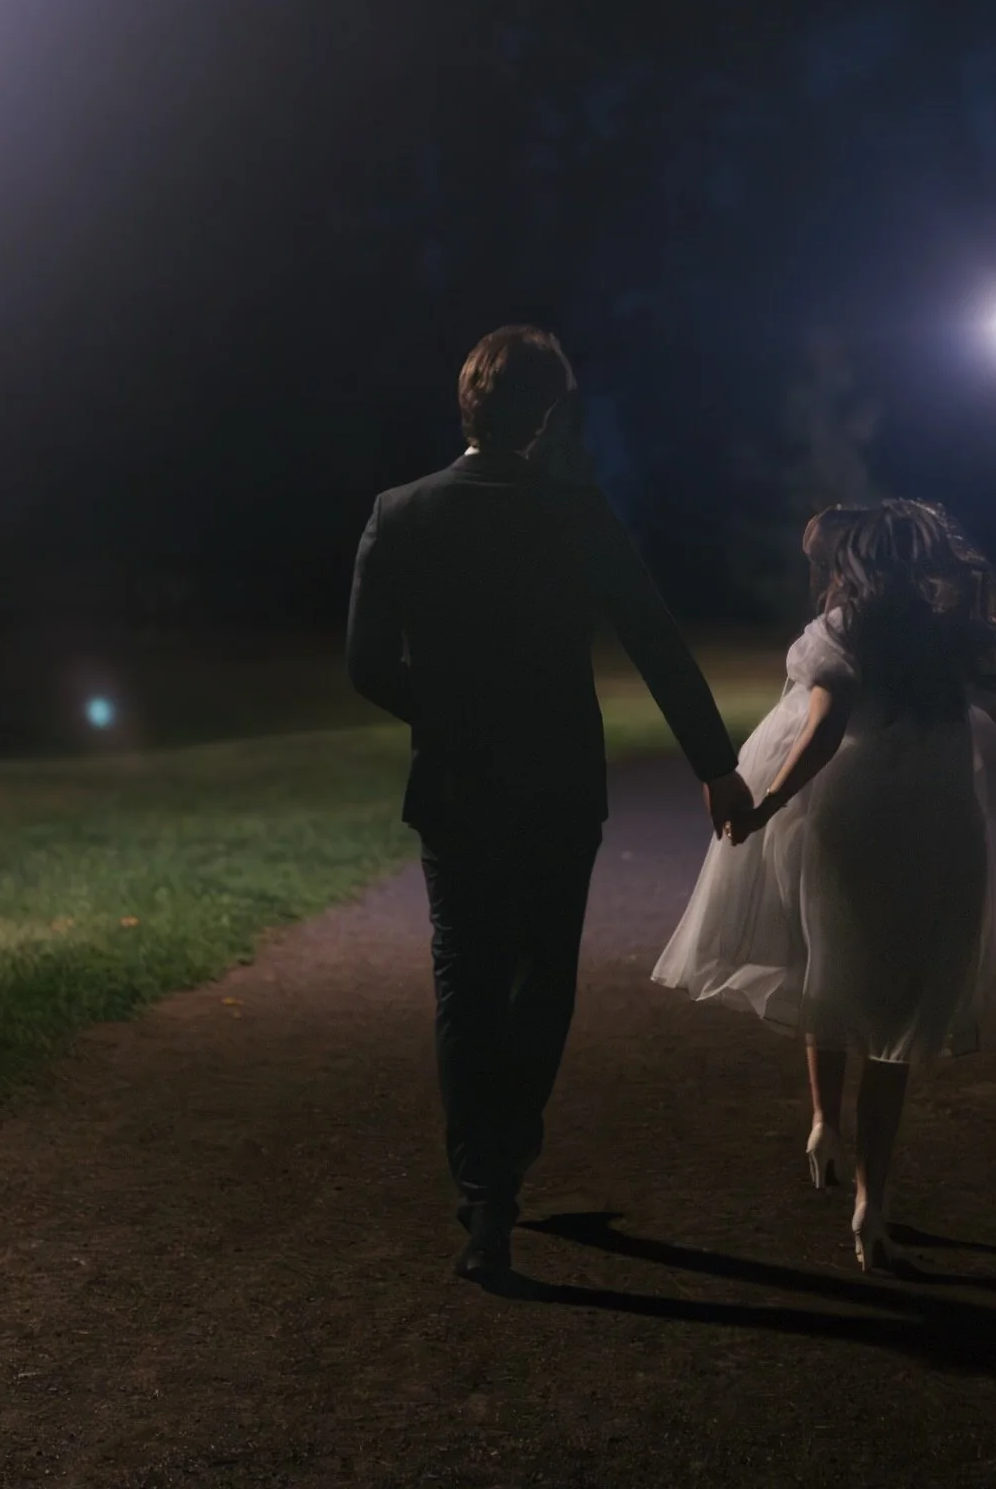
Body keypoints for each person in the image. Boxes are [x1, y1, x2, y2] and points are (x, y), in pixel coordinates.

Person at [347, 326, 752, 1279]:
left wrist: (446, 717)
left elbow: (366, 668)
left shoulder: (399, 514)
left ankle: (482, 1188)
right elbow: (655, 639)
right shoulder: (576, 513)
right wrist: (716, 763)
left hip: (455, 785)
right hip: (560, 785)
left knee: (464, 983)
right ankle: (502, 1162)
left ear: (469, 406)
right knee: (544, 979)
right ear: (546, 413)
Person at [653, 499, 996, 1271]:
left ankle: (822, 1124)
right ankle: (873, 1198)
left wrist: (767, 804)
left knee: (828, 963)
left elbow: (822, 731)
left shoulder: (842, 633)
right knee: (894, 1011)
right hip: (934, 826)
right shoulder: (960, 637)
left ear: (855, 563)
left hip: (847, 819)